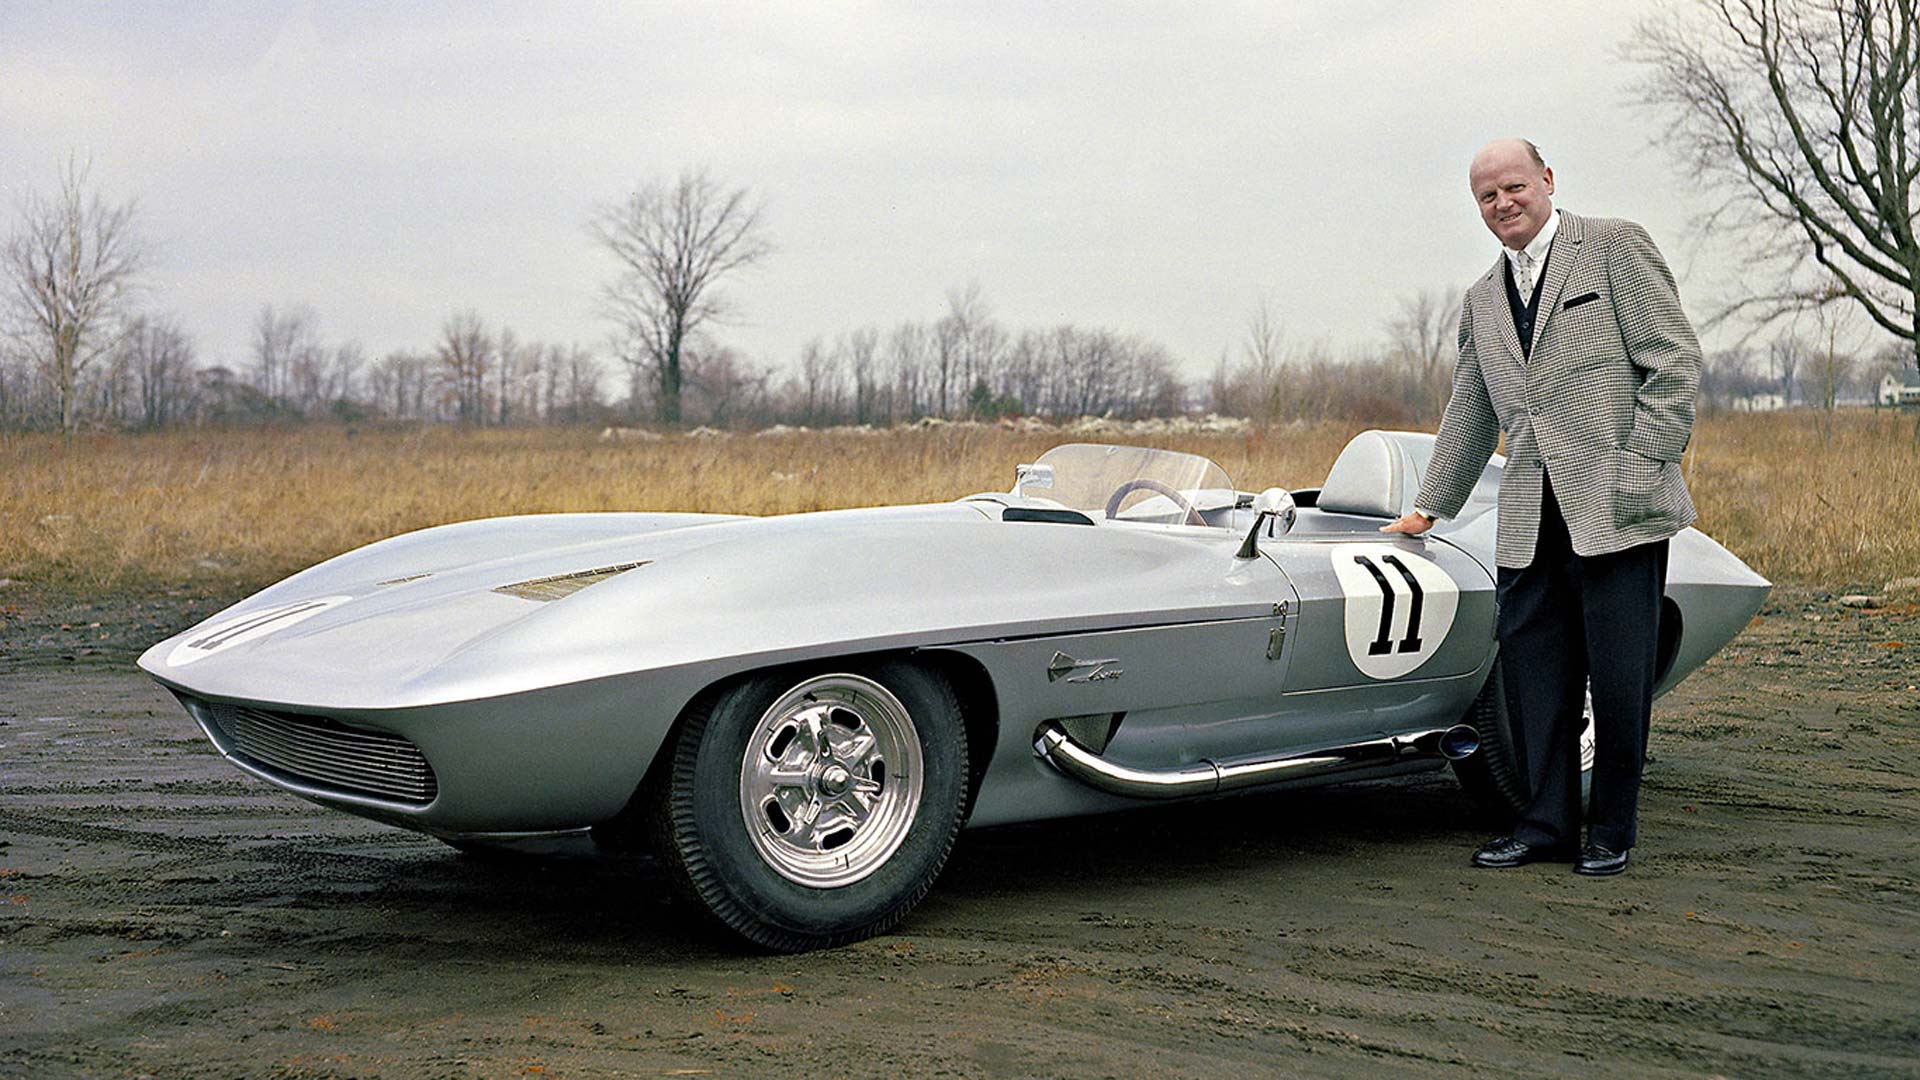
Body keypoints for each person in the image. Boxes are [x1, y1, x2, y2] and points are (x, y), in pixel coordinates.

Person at [1381, 138, 1701, 876]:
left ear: (1548, 180)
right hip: (1526, 515)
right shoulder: (1482, 299)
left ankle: (1611, 829)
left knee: (1619, 677)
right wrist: (1430, 508)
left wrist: (1640, 462)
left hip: (1616, 505)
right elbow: (1471, 409)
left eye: (1515, 187)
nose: (1504, 204)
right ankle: (1546, 823)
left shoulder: (1616, 247)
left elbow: (1675, 362)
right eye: (1487, 197)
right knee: (1534, 678)